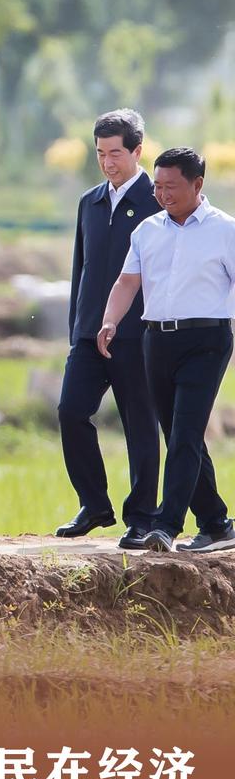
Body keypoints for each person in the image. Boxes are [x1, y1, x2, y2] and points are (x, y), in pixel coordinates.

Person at [97, 147, 235, 553]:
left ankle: (165, 525)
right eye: (157, 186)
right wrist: (110, 320)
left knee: (186, 432)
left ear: (197, 184)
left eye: (171, 186)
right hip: (156, 340)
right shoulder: (147, 230)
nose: (162, 194)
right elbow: (127, 282)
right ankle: (216, 523)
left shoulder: (225, 230)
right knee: (178, 434)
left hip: (206, 341)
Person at [56, 109, 161, 549]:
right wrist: (77, 326)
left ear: (137, 151)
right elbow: (80, 269)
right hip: (88, 334)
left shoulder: (159, 202)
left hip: (138, 335)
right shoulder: (90, 202)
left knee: (140, 425)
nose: (107, 162)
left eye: (115, 153)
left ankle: (142, 517)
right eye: (100, 153)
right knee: (71, 411)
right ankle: (94, 504)